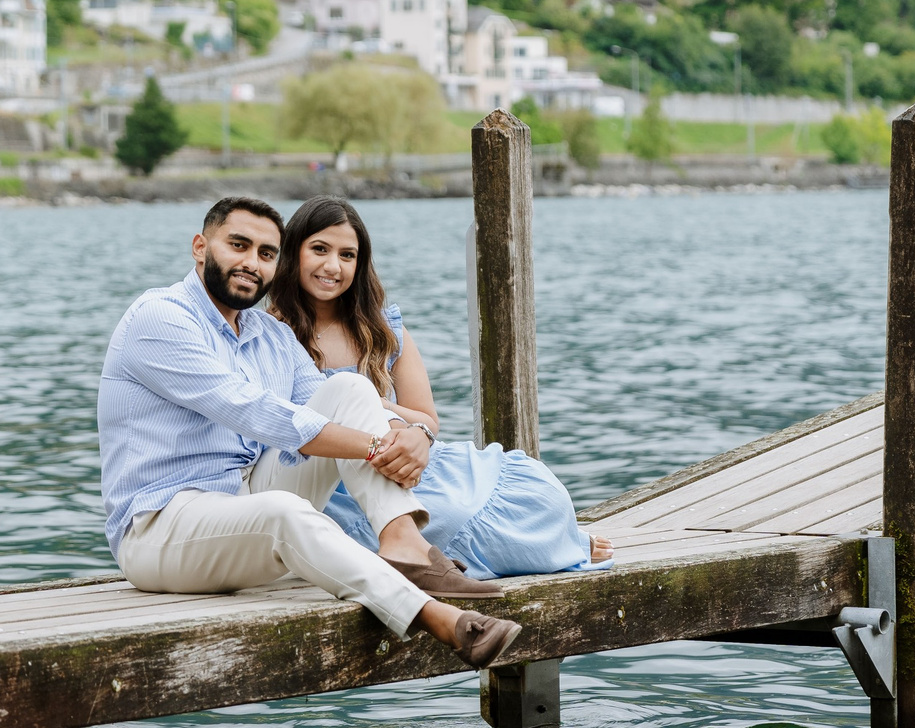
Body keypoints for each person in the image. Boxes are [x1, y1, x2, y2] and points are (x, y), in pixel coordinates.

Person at [98, 196, 524, 668]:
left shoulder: (269, 334)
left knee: (349, 386)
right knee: (284, 509)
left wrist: (415, 434)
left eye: (265, 253)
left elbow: (334, 401)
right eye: (238, 245)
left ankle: (402, 542)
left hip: (244, 499)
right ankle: (437, 617)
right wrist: (377, 446)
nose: (250, 263)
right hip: (161, 527)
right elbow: (257, 413)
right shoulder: (160, 317)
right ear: (201, 247)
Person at [267, 196, 614, 579]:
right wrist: (369, 412)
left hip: (416, 459)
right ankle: (541, 545)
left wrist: (406, 427)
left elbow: (427, 418)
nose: (333, 266)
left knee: (541, 489)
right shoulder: (268, 335)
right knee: (448, 517)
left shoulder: (383, 330)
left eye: (347, 255)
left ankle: (557, 538)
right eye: (319, 249)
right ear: (293, 252)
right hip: (343, 483)